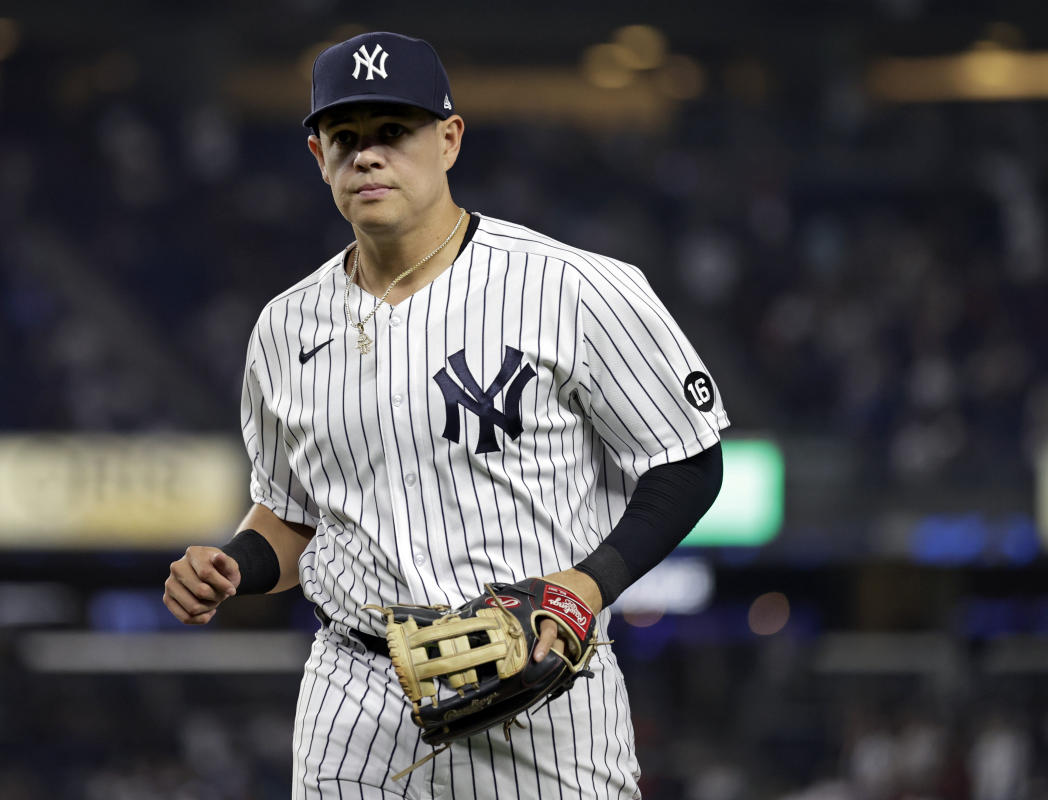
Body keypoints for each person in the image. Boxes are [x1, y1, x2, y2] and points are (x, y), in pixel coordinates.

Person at [163, 31, 728, 799]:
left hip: (545, 695)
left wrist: (587, 587)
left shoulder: (575, 287)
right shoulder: (285, 327)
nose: (368, 156)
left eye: (394, 133)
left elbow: (687, 461)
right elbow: (291, 519)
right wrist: (234, 565)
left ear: (450, 139)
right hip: (355, 698)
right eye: (346, 137)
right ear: (316, 155)